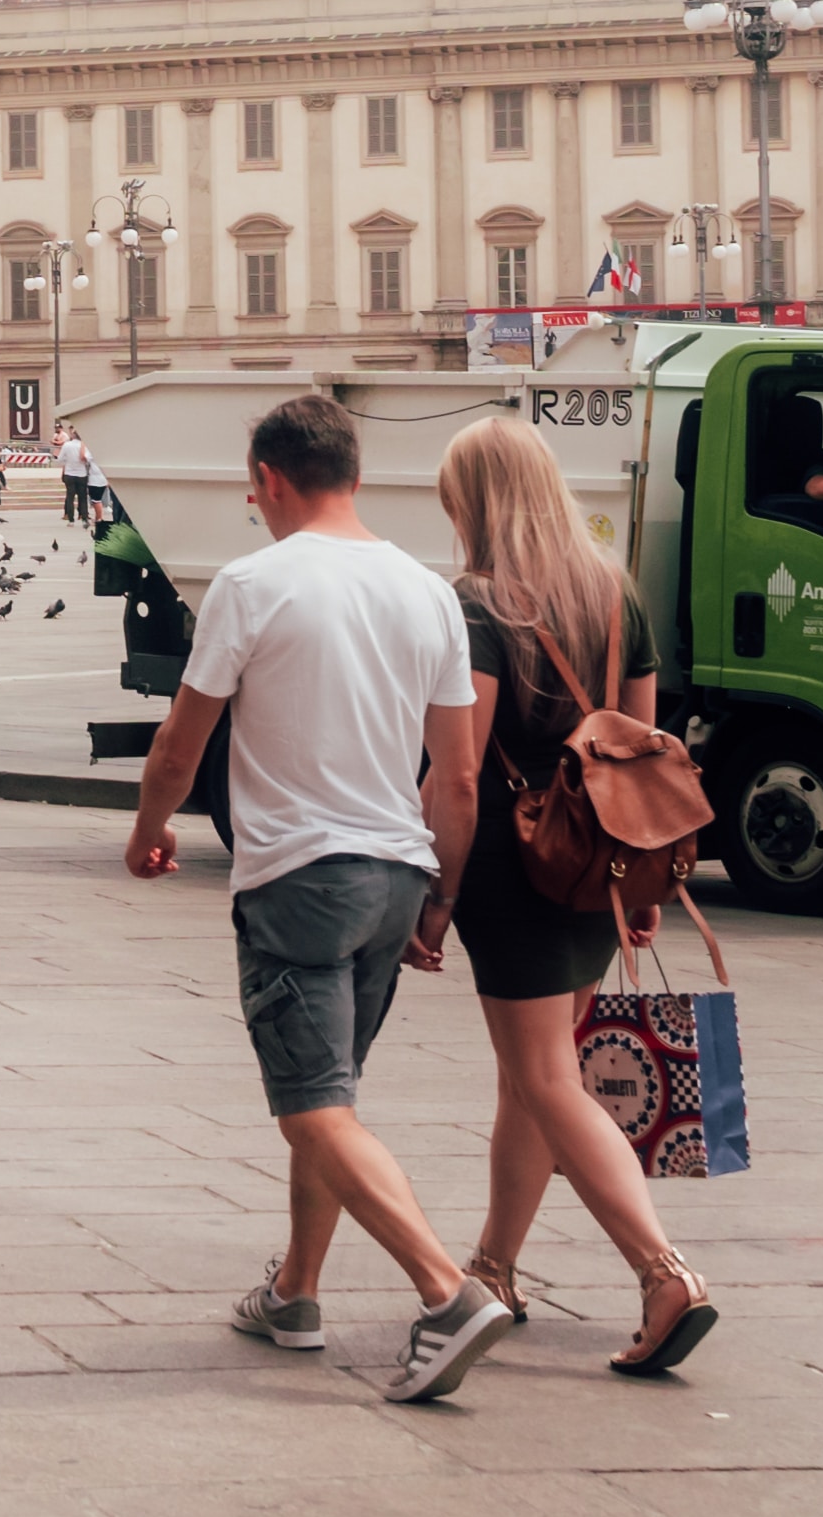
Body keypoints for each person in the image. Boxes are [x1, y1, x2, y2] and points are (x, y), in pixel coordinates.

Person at [118, 387, 515, 1407]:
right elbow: (458, 775)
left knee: (313, 1107)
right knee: (329, 1098)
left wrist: (149, 830)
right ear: (354, 473)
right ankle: (294, 1292)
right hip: (395, 874)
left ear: (269, 481)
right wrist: (439, 899)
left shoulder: (251, 585)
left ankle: (446, 1293)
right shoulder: (428, 592)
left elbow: (182, 740)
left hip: (299, 874)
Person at [426, 414, 714, 1378]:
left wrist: (438, 892)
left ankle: (663, 1271)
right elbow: (643, 745)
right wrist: (646, 882)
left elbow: (458, 770)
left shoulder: (474, 605)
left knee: (549, 1076)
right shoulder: (613, 589)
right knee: (530, 1075)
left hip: (517, 865)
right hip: (601, 858)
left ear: (474, 502)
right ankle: (496, 1268)